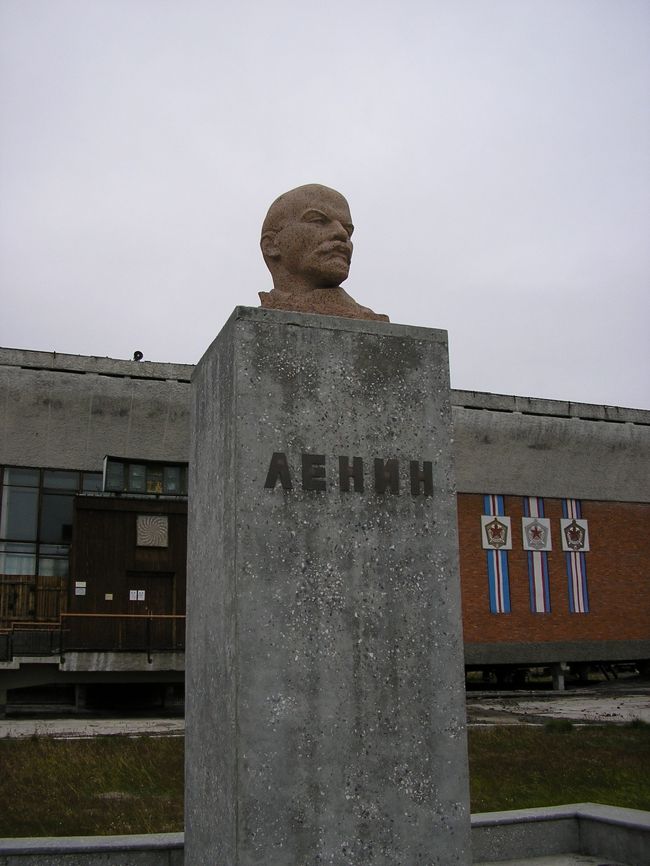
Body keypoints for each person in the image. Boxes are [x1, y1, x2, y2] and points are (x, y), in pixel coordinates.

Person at [259, 184, 389, 321]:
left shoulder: (368, 319)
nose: (342, 233)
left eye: (348, 230)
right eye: (318, 221)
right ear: (271, 245)